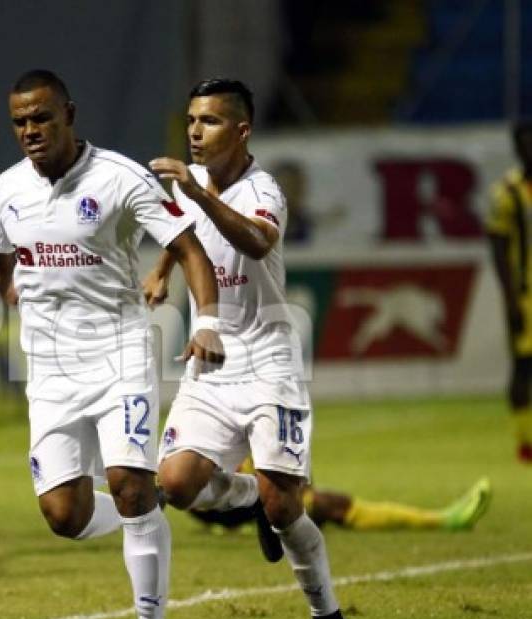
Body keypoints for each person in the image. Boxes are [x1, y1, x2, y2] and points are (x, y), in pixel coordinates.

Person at [0, 69, 224, 619]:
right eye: (20, 122)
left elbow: (188, 247)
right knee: (63, 513)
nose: (30, 130)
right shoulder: (7, 190)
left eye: (41, 118)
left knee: (129, 484)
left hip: (120, 354)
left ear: (69, 113)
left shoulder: (119, 178)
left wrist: (206, 322)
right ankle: (148, 511)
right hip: (51, 369)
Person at [143, 78, 352, 619]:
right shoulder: (193, 187)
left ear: (241, 130)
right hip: (211, 363)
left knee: (286, 505)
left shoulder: (266, 188)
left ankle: (326, 613)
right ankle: (248, 500)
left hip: (268, 361)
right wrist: (162, 269)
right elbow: (182, 227)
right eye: (190, 119)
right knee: (176, 483)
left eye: (208, 121)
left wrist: (198, 192)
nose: (193, 130)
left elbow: (256, 243)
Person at [190, 469, 491, 533]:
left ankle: (442, 519)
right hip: (217, 501)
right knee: (326, 503)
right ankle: (443, 520)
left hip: (249, 498)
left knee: (317, 498)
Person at [486, 120, 532, 463]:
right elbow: (498, 249)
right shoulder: (507, 193)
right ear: (516, 148)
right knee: (523, 367)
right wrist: (510, 299)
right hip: (527, 296)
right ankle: (525, 442)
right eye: (524, 142)